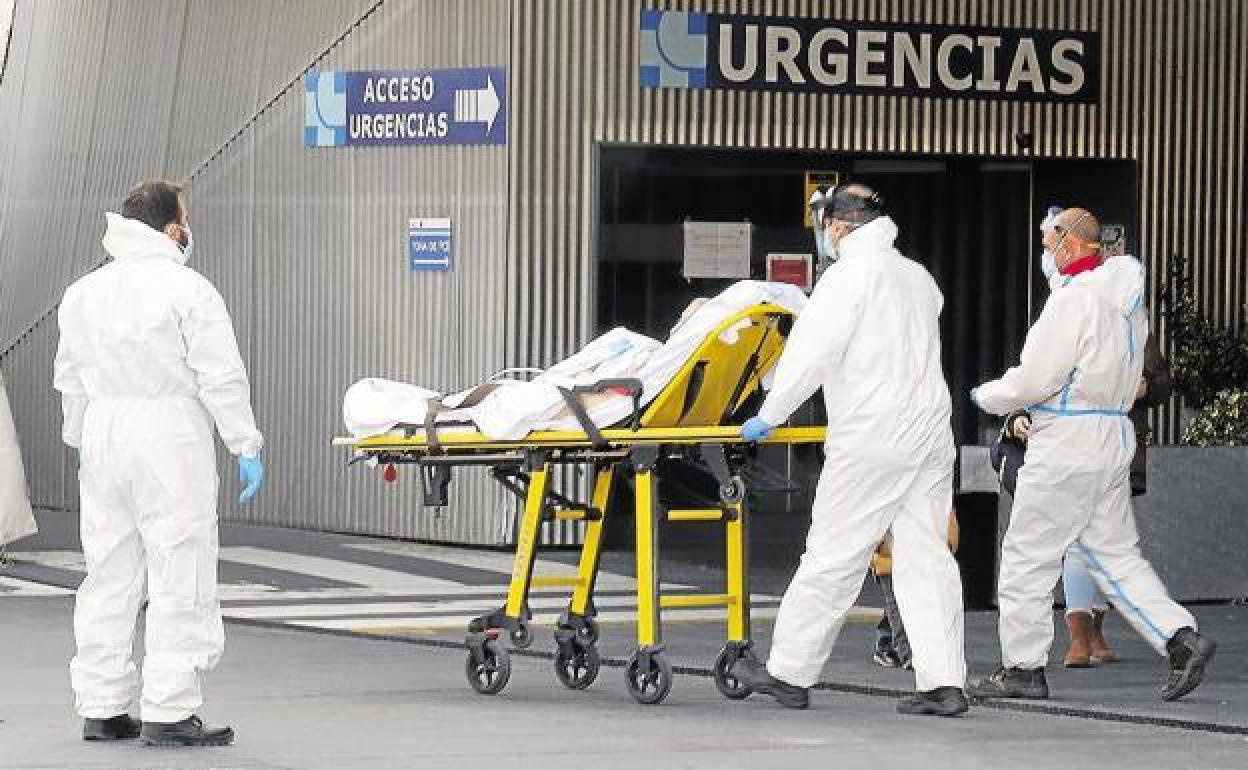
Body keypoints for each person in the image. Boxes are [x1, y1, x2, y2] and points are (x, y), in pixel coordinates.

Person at [733, 183, 969, 717]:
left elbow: (810, 355)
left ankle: (789, 672)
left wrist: (770, 413)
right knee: (927, 557)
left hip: (871, 435)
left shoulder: (846, 279)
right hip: (930, 434)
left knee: (834, 553)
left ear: (839, 225)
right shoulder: (917, 277)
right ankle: (944, 682)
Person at [969, 206, 1215, 702]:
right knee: (1116, 555)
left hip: (1066, 439)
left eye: (1049, 242)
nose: (1046, 252)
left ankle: (1022, 668)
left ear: (1072, 242)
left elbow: (1036, 378)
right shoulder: (1126, 303)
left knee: (1027, 556)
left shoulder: (1072, 301)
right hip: (1112, 437)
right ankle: (1179, 637)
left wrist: (987, 396)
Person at [54, 180, 265, 747]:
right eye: (186, 221)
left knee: (108, 571)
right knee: (179, 565)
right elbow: (220, 375)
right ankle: (169, 709)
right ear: (173, 229)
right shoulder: (188, 290)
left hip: (103, 432)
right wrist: (244, 443)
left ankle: (102, 706)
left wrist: (80, 437)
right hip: (168, 436)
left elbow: (69, 377)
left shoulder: (83, 293)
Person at [1006, 332, 1170, 668]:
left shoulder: (1133, 331)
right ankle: (1080, 632)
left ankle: (1091, 629)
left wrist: (1142, 387)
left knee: (1102, 541)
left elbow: (1161, 383)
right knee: (1081, 540)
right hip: (1068, 449)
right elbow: (1036, 378)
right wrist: (1018, 418)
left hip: (1114, 451)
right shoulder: (1067, 326)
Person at [870, 510, 960, 670]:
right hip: (893, 559)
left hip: (910, 555)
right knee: (900, 605)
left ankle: (893, 645)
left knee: (904, 605)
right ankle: (906, 653)